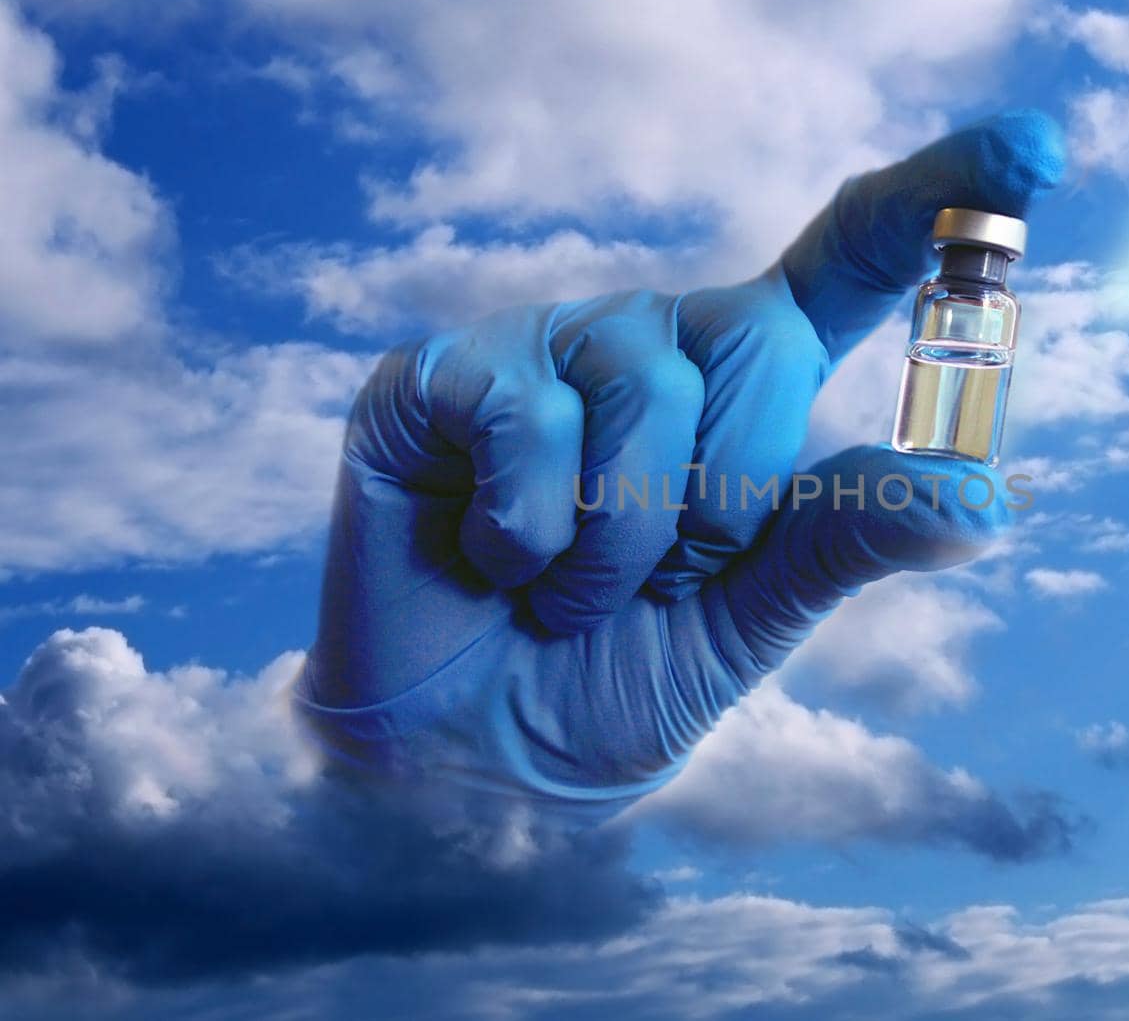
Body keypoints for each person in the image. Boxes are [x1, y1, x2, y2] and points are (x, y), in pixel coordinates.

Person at [292, 111, 1066, 824]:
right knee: (750, 352)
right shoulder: (948, 300)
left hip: (453, 859)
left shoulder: (980, 309)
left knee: (756, 362)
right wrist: (393, 767)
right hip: (420, 822)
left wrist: (414, 802)